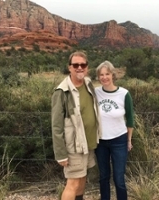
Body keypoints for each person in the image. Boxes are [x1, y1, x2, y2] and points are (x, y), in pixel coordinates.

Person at [51, 51, 101, 200]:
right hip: (73, 145)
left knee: (82, 177)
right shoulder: (62, 92)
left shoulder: (88, 84)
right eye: (76, 65)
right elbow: (56, 126)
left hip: (88, 143)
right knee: (72, 182)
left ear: (87, 67)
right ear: (69, 67)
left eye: (83, 65)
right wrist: (60, 154)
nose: (80, 67)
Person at [95, 61, 134, 200]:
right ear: (98, 77)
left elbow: (130, 119)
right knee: (104, 177)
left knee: (119, 178)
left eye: (107, 74)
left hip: (119, 140)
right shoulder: (95, 93)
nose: (104, 77)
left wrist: (129, 140)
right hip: (100, 142)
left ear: (113, 75)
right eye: (101, 75)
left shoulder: (124, 94)